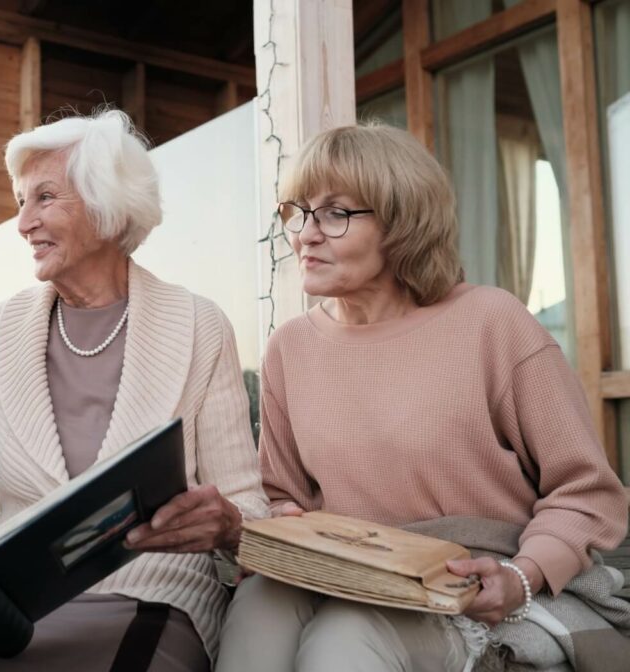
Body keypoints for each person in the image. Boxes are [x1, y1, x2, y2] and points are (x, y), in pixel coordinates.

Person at [0, 109, 269, 671]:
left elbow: (248, 506)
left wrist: (229, 527)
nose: (23, 223)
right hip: (9, 610)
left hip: (149, 600)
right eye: (21, 201)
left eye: (44, 198)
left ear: (107, 205)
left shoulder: (199, 324)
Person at [215, 123, 630, 672]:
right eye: (299, 210)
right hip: (347, 571)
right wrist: (284, 525)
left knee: (345, 639)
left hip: (474, 581)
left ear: (401, 224)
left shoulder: (492, 323)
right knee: (255, 609)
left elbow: (587, 491)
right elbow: (283, 492)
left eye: (335, 212)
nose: (306, 234)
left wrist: (521, 576)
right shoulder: (289, 349)